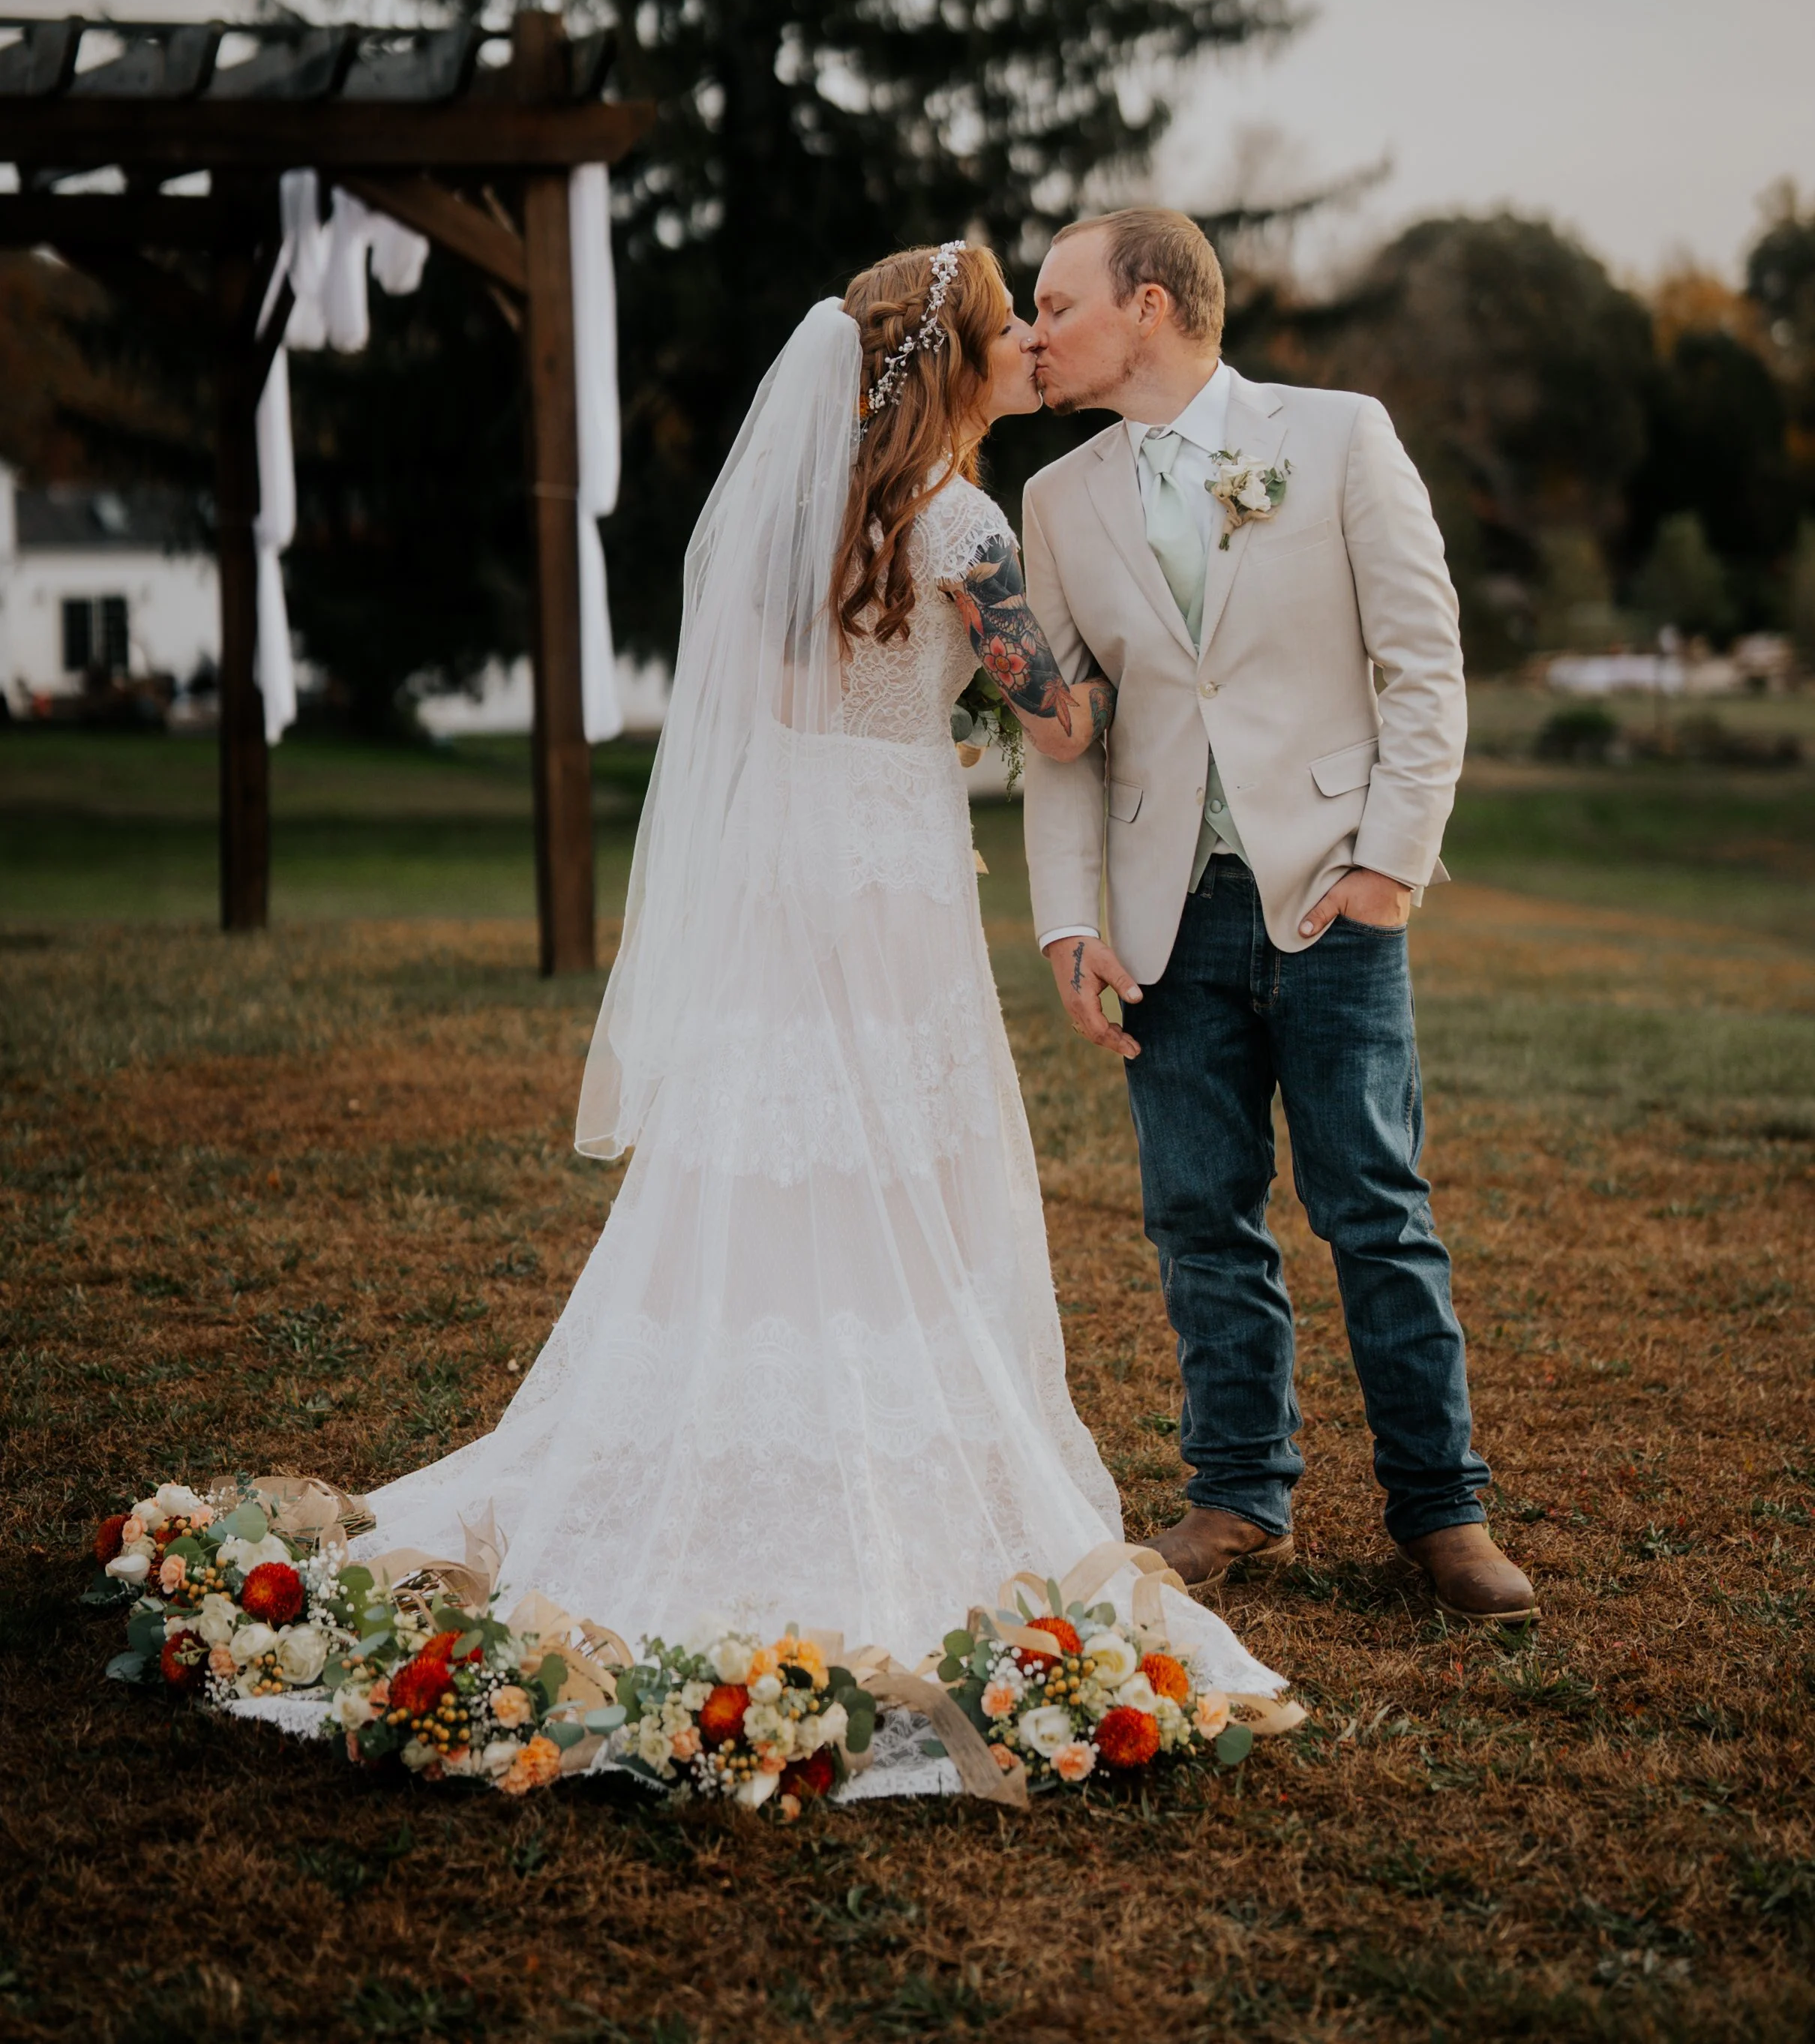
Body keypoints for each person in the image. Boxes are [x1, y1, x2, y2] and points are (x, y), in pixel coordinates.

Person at [355, 242, 1288, 1773]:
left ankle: (720, 1408)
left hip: (784, 864)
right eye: (1009, 332)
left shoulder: (814, 516)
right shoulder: (963, 523)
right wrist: (1134, 686)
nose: (1028, 350)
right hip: (890, 875)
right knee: (896, 1145)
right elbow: (1055, 719)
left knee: (767, 1130)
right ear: (957, 362)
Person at [1020, 207, 1536, 1626]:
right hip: (1161, 912)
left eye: (1057, 304)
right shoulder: (1057, 502)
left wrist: (1390, 866)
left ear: (1149, 305)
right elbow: (1066, 736)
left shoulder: (1339, 436)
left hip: (1334, 894)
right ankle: (1238, 1498)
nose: (1035, 331)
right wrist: (1071, 921)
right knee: (1198, 1214)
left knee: (1374, 1206)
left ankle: (1444, 1515)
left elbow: (1425, 668)